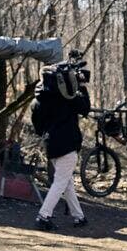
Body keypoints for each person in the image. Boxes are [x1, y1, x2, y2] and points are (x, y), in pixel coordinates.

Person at [31, 58, 91, 231]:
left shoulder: (38, 100)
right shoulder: (67, 97)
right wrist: (82, 87)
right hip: (68, 144)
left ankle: (79, 217)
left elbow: (37, 124)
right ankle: (43, 216)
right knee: (60, 183)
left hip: (51, 144)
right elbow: (85, 108)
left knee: (66, 182)